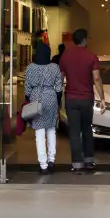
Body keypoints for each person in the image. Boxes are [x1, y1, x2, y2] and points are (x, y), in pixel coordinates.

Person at [59, 29, 104, 173]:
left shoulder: (65, 57)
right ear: (84, 40)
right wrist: (102, 98)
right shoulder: (91, 56)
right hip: (86, 98)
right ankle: (89, 160)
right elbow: (96, 78)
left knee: (74, 131)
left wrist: (58, 97)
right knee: (86, 129)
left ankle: (77, 164)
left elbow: (60, 79)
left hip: (71, 99)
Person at [24, 43, 63, 175]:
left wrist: (28, 100)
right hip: (51, 98)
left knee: (39, 133)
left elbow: (27, 89)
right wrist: (57, 102)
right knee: (51, 129)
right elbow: (59, 88)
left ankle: (43, 164)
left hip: (36, 99)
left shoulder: (30, 68)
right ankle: (52, 160)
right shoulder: (55, 67)